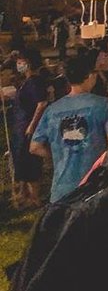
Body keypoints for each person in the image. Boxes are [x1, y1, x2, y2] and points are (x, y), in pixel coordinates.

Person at [30, 52, 108, 202]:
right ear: (90, 76)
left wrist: (58, 156)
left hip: (62, 190)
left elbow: (34, 147)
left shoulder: (52, 110)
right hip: (95, 187)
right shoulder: (104, 105)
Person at [13, 50, 51, 208]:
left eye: (21, 61)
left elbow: (41, 103)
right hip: (21, 126)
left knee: (30, 161)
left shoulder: (35, 81)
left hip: (28, 127)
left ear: (29, 62)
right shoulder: (26, 81)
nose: (18, 64)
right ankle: (23, 194)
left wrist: (32, 125)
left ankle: (34, 197)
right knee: (21, 159)